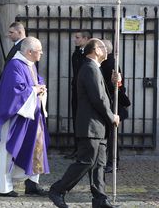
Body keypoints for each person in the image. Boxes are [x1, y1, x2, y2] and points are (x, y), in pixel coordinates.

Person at [48, 38, 120, 208]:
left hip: (99, 126)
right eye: (102, 47)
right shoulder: (89, 68)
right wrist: (112, 117)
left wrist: (113, 82)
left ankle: (100, 199)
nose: (106, 50)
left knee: (99, 165)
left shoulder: (95, 68)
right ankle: (58, 190)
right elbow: (98, 99)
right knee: (86, 161)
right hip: (91, 126)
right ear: (95, 50)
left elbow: (102, 94)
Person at [0, 36, 49, 197]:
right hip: (11, 117)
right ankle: (3, 187)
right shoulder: (15, 65)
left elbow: (32, 83)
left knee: (34, 147)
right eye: (39, 51)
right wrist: (34, 90)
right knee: (6, 151)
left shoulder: (29, 64)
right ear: (29, 52)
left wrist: (39, 86)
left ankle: (32, 183)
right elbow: (14, 91)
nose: (42, 53)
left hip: (30, 116)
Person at [100, 39, 129, 173]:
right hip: (108, 102)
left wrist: (115, 83)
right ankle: (109, 161)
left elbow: (117, 87)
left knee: (112, 135)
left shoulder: (111, 63)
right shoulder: (104, 62)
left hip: (113, 103)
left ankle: (113, 162)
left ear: (106, 49)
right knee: (110, 135)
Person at [65, 31, 91, 159]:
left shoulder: (89, 54)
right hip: (76, 90)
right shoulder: (76, 53)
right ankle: (77, 148)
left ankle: (84, 150)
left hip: (85, 92)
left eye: (78, 37)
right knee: (76, 119)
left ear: (86, 39)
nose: (75, 40)